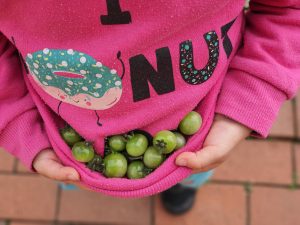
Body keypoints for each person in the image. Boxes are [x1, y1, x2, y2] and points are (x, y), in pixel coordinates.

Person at [0, 0, 299, 215]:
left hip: (197, 137)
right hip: (70, 142)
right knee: (73, 184)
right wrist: (17, 123)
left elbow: (287, 11)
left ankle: (181, 186)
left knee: (191, 173)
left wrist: (246, 104)